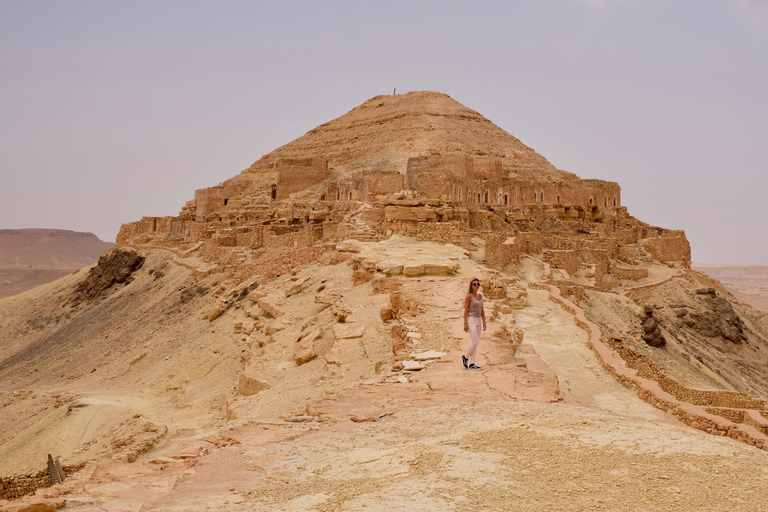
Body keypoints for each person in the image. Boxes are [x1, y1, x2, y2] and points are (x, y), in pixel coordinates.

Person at [462, 278, 486, 370]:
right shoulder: (469, 296)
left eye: (478, 284)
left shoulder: (480, 296)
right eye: (474, 284)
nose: (476, 286)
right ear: (471, 286)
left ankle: (472, 364)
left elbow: (482, 310)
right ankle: (465, 357)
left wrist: (484, 321)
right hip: (471, 320)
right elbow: (465, 310)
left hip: (478, 321)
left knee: (475, 343)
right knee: (474, 342)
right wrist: (465, 323)